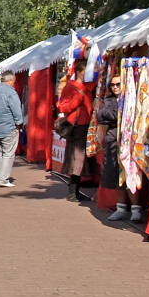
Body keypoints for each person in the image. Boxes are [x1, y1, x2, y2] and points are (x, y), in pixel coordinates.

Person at [96, 73, 142, 222]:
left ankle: (136, 209)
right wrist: (114, 114)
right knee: (116, 175)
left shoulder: (130, 98)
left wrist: (113, 114)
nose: (115, 87)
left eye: (118, 84)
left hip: (129, 141)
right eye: (113, 85)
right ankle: (121, 207)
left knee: (130, 174)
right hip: (113, 140)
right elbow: (101, 115)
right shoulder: (108, 100)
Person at [57, 60, 94, 202]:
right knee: (77, 159)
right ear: (79, 72)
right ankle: (72, 192)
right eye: (85, 72)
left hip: (85, 126)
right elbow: (63, 107)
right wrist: (77, 100)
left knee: (81, 159)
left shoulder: (85, 87)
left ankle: (75, 191)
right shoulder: (71, 88)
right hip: (77, 127)